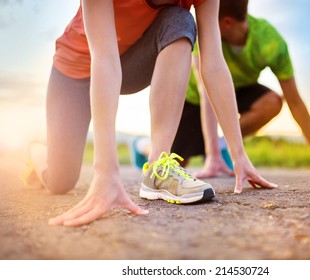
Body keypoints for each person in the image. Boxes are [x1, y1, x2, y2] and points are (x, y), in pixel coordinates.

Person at [23, 0, 277, 227]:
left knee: (180, 20)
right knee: (60, 181)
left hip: (133, 63)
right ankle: (37, 150)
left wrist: (238, 154)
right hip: (76, 69)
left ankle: (158, 167)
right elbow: (104, 59)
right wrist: (106, 173)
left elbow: (213, 65)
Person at [166, 0, 310, 178]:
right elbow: (207, 94)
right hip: (196, 98)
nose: (205, 22)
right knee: (176, 161)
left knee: (272, 102)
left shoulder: (270, 41)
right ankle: (142, 145)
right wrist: (213, 157)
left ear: (226, 22)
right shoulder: (203, 37)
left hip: (240, 89)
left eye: (210, 17)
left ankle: (222, 145)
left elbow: (295, 102)